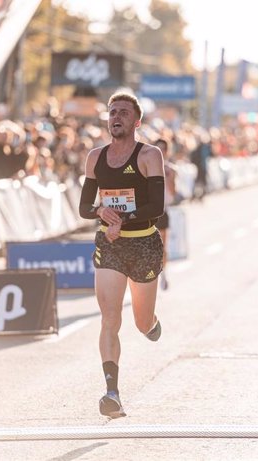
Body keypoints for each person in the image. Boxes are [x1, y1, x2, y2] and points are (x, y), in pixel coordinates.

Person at [78, 92, 165, 419]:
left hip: (143, 243)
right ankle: (111, 392)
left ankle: (151, 323)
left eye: (124, 113)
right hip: (110, 245)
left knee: (140, 322)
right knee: (109, 317)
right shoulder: (95, 158)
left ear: (136, 121)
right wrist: (102, 213)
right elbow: (84, 208)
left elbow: (156, 206)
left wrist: (122, 219)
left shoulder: (149, 155)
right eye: (112, 112)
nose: (116, 117)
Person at [154, 138, 177, 291]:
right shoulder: (146, 167)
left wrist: (167, 177)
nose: (160, 152)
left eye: (163, 149)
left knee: (161, 246)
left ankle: (163, 274)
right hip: (147, 213)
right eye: (157, 149)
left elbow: (173, 194)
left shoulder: (170, 170)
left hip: (162, 211)